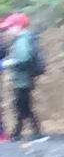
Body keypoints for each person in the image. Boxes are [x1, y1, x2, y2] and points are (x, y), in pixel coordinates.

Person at [4, 12, 43, 141]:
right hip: (25, 78)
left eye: (10, 27)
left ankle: (31, 133)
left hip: (22, 79)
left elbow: (24, 58)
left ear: (18, 26)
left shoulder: (22, 40)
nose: (8, 30)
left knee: (22, 105)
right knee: (23, 105)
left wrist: (10, 62)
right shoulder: (25, 38)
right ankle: (19, 133)